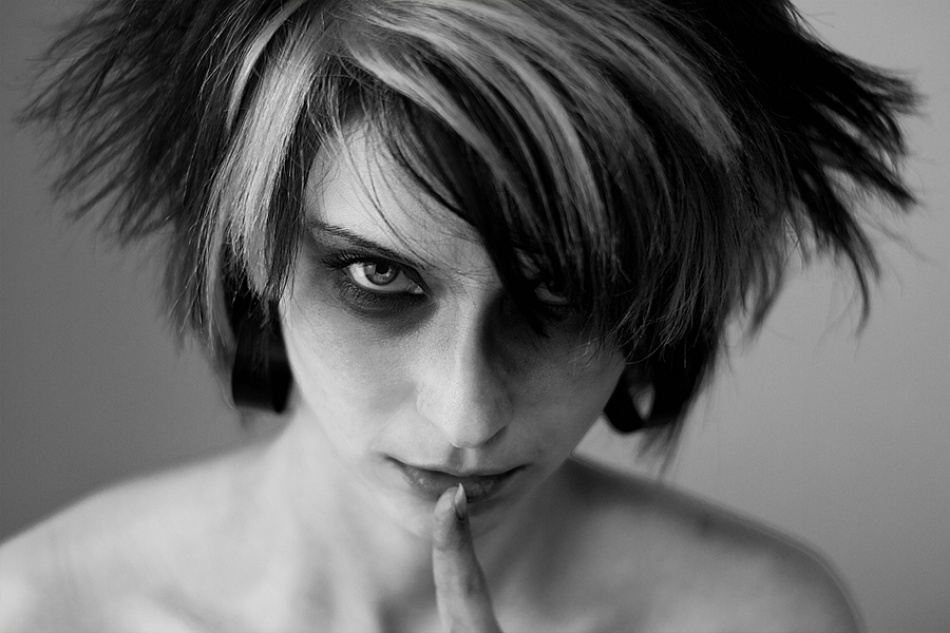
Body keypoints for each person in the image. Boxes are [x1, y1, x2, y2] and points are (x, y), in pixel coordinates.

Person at [0, 0, 917, 630]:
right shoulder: (49, 609)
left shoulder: (757, 618)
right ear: (249, 252)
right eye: (378, 276)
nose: (466, 415)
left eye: (562, 297)